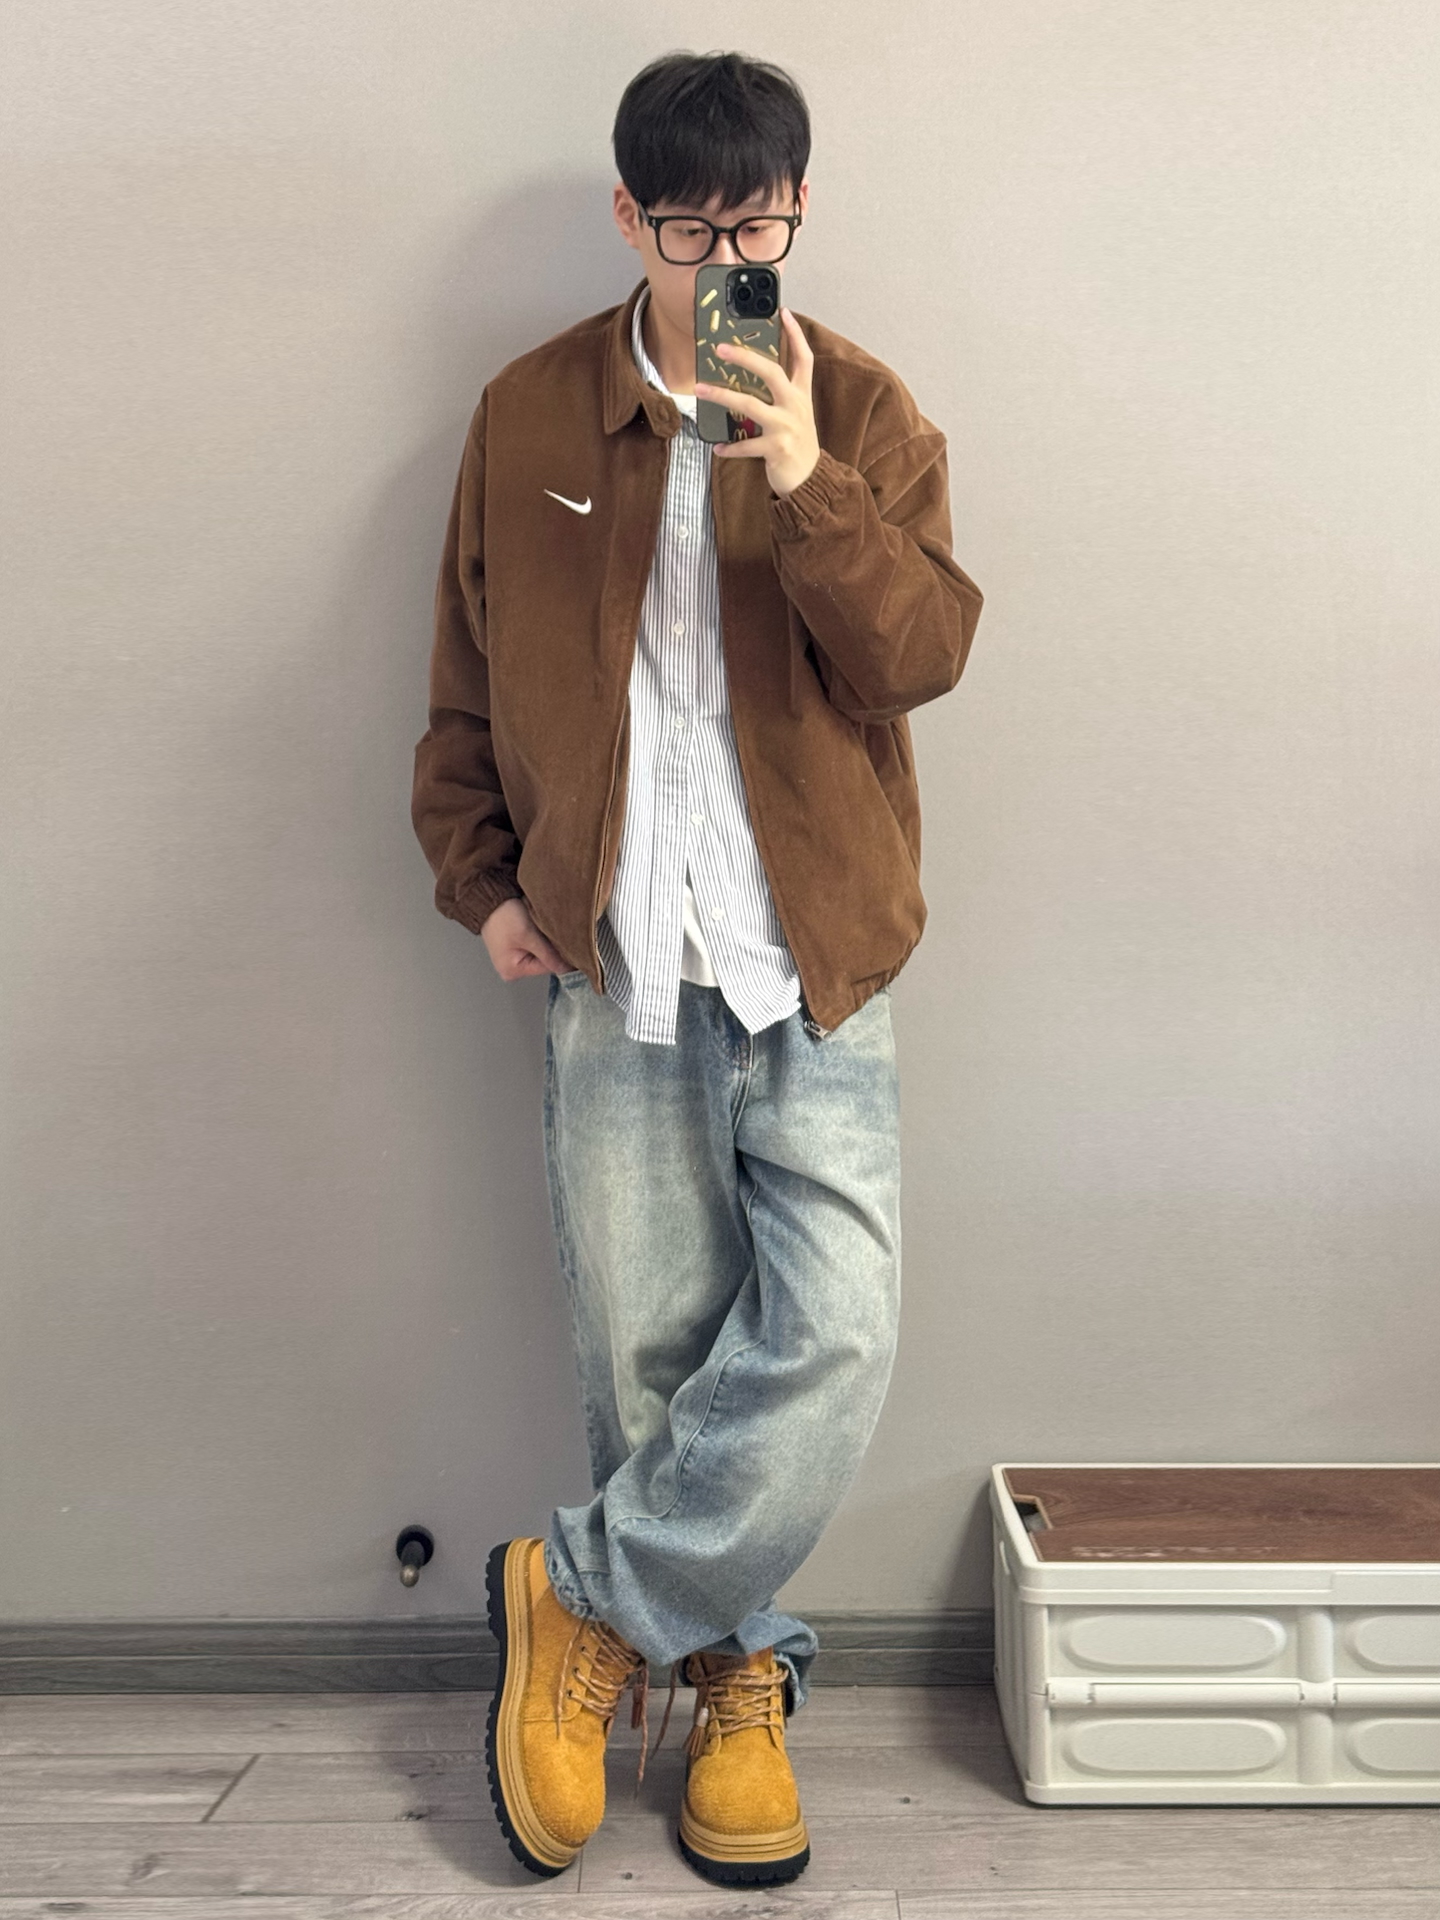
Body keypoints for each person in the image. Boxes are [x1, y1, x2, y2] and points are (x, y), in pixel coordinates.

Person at [411, 48, 983, 1889]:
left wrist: (806, 481)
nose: (724, 258)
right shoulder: (526, 413)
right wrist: (480, 882)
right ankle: (732, 1686)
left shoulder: (865, 409)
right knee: (651, 1358)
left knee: (836, 1331)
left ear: (797, 210)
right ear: (627, 215)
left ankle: (573, 1596)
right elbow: (463, 677)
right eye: (688, 227)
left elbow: (920, 658)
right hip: (613, 955)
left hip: (814, 956)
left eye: (757, 226)